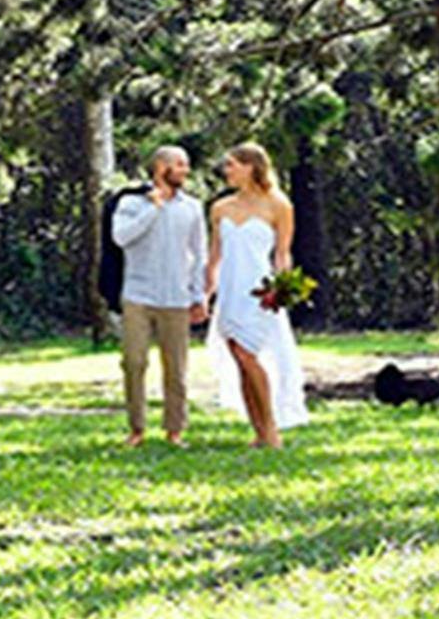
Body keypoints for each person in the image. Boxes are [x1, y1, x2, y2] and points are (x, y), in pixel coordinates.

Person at [205, 142, 309, 448]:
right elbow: (214, 256)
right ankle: (259, 430)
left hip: (260, 290)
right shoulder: (220, 208)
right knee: (239, 358)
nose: (226, 171)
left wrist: (283, 286)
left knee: (249, 355)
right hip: (230, 291)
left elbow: (282, 253)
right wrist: (205, 294)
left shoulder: (278, 204)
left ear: (251, 167)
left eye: (231, 165)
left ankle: (272, 428)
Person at [110, 145, 208, 447]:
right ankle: (136, 428)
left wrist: (199, 295)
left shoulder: (192, 207)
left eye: (186, 164)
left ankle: (175, 429)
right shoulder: (130, 202)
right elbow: (121, 237)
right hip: (138, 295)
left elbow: (199, 253)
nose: (185, 170)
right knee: (134, 361)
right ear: (161, 167)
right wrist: (153, 208)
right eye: (179, 164)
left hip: (176, 297)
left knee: (176, 368)